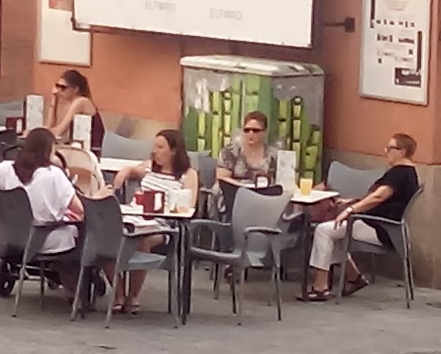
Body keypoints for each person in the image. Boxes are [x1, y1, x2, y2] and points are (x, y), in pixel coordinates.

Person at [300, 132, 420, 302]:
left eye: (390, 148)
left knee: (324, 231)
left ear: (401, 152)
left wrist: (350, 210)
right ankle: (354, 277)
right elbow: (382, 199)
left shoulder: (400, 173)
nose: (386, 151)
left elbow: (379, 197)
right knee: (334, 233)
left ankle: (321, 287)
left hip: (380, 229)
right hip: (383, 226)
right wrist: (354, 201)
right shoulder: (409, 172)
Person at [0, 128, 84, 294]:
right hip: (44, 238)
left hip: (12, 237)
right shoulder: (54, 175)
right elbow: (79, 209)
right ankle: (73, 286)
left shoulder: (8, 170)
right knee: (77, 232)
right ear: (48, 151)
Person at [108, 129, 198, 314]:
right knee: (106, 237)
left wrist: (168, 206)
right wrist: (125, 171)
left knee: (141, 239)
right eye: (154, 146)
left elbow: (188, 205)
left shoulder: (187, 175)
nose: (155, 151)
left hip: (162, 224)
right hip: (133, 217)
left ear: (173, 150)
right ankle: (118, 293)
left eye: (160, 147)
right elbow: (134, 169)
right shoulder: (150, 166)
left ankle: (133, 295)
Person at [46, 70, 104, 156]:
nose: (59, 91)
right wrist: (54, 100)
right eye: (57, 86)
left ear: (76, 89)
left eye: (63, 88)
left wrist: (36, 133)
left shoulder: (81, 102)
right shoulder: (70, 103)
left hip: (90, 151)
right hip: (79, 148)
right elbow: (51, 127)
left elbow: (59, 132)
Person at [217, 111, 277, 184]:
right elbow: (222, 178)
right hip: (232, 191)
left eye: (255, 130)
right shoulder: (230, 152)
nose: (250, 133)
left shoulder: (273, 155)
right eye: (247, 130)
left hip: (262, 193)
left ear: (264, 132)